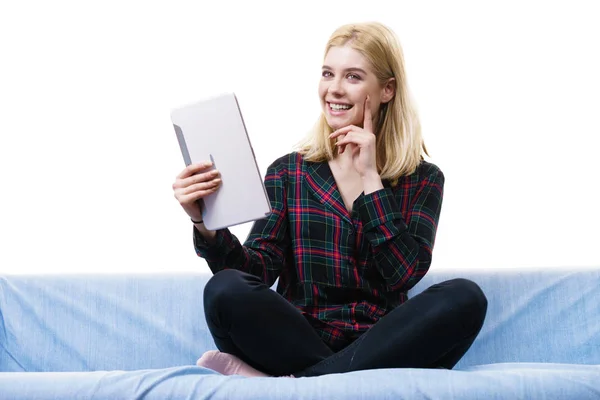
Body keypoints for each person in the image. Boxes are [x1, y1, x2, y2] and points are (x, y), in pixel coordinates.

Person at [172, 21, 487, 378]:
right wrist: (205, 224)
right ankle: (338, 380)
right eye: (327, 74)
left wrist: (371, 179)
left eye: (352, 77)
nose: (333, 90)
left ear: (387, 90)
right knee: (224, 288)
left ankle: (306, 383)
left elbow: (404, 274)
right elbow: (255, 271)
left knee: (466, 297)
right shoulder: (289, 173)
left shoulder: (424, 179)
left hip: (383, 344)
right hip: (298, 340)